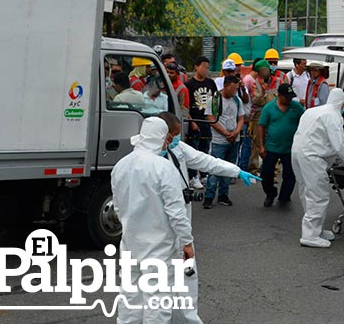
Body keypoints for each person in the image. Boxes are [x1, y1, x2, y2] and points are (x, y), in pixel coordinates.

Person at [158, 112, 259, 323]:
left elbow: (206, 161)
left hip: (177, 227)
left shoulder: (177, 149)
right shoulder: (146, 161)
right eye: (174, 135)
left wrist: (236, 171)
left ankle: (184, 319)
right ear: (163, 134)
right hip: (159, 232)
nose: (178, 139)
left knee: (185, 278)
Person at [111, 117, 194, 324]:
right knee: (156, 300)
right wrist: (187, 242)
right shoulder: (164, 168)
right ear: (162, 138)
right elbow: (176, 212)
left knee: (130, 297)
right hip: (158, 246)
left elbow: (118, 207)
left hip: (130, 242)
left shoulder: (120, 166)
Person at [291, 88, 344, 248]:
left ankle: (317, 230)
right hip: (313, 157)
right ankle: (310, 236)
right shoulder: (333, 116)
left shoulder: (312, 111)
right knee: (318, 196)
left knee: (306, 192)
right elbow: (339, 144)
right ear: (342, 103)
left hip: (297, 153)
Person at [258, 84, 304, 207]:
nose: (289, 99)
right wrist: (261, 146)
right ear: (279, 95)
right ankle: (270, 193)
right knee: (266, 173)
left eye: (291, 97)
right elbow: (261, 126)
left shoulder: (297, 107)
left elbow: (305, 122)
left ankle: (284, 196)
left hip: (290, 148)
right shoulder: (269, 108)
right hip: (272, 147)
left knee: (290, 175)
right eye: (287, 97)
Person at [203, 76, 245, 209]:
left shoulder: (237, 100)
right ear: (226, 86)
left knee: (229, 168)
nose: (235, 91)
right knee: (214, 169)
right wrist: (225, 133)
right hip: (219, 140)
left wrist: (236, 132)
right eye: (233, 88)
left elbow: (241, 118)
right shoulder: (215, 99)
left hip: (234, 140)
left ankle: (223, 194)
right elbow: (211, 118)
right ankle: (209, 196)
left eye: (236, 88)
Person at [184, 56, 217, 189]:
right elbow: (186, 106)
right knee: (193, 150)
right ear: (196, 67)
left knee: (205, 148)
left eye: (207, 67)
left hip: (207, 121)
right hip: (195, 120)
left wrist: (214, 118)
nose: (205, 70)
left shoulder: (211, 83)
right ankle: (193, 176)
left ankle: (204, 174)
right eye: (203, 66)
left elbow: (215, 102)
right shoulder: (189, 85)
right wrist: (192, 121)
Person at [248, 59, 282, 176]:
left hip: (276, 116)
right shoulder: (255, 84)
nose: (264, 72)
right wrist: (262, 90)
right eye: (261, 71)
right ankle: (254, 170)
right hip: (260, 116)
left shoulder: (278, 81)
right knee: (257, 143)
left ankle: (274, 172)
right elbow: (256, 101)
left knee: (275, 142)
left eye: (265, 70)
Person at [239, 58, 262, 172]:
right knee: (245, 144)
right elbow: (246, 100)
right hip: (247, 117)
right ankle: (243, 167)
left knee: (249, 144)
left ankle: (246, 167)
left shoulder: (254, 79)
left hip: (251, 117)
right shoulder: (248, 80)